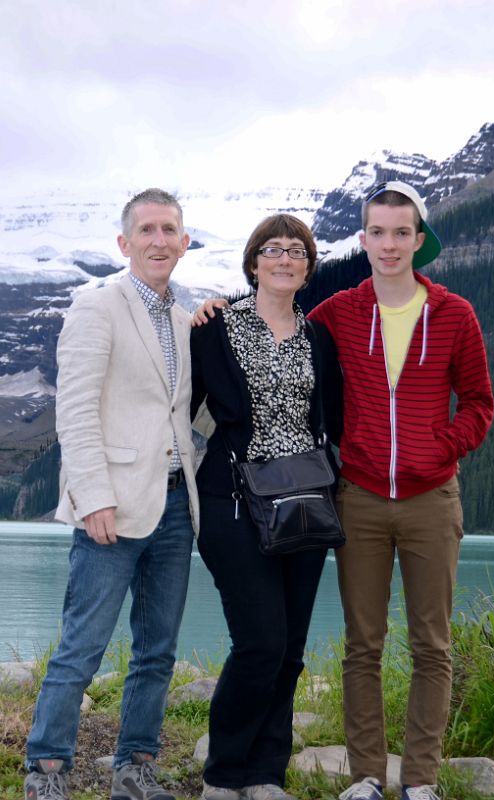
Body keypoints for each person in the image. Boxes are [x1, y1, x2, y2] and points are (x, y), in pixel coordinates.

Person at [197, 182, 494, 800]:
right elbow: (272, 324)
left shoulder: (455, 314)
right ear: (363, 240)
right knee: (362, 644)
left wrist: (436, 450)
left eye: (401, 233)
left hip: (432, 498)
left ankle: (421, 780)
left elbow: (480, 405)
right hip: (353, 497)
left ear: (420, 240)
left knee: (432, 645)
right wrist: (210, 307)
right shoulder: (338, 314)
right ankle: (364, 777)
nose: (389, 245)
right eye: (378, 233)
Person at [24, 188, 200, 800]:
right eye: (146, 229)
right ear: (125, 243)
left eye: (169, 229)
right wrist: (91, 494)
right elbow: (73, 410)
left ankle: (136, 768)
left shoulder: (186, 320)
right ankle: (46, 770)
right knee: (82, 647)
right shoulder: (96, 306)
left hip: (177, 505)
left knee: (159, 650)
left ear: (184, 242)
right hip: (112, 505)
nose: (159, 239)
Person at [190, 214, 342, 800]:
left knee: (291, 651)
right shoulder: (215, 327)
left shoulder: (318, 338)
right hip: (230, 501)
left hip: (304, 502)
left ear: (308, 268)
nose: (285, 259)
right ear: (253, 262)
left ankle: (266, 772)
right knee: (259, 643)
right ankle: (224, 773)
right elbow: (181, 409)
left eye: (297, 251)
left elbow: (335, 419)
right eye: (273, 250)